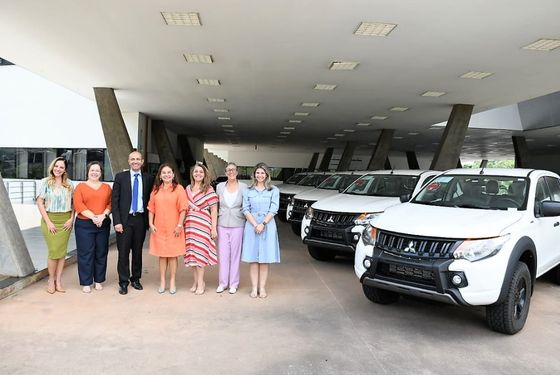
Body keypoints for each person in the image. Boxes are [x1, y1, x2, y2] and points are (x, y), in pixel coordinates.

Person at [112, 150, 153, 295]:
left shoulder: (148, 178)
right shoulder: (120, 177)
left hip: (140, 219)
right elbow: (114, 201)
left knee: (137, 252)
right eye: (133, 159)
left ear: (142, 162)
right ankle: (123, 282)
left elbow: (150, 200)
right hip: (124, 220)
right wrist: (117, 221)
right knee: (123, 253)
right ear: (129, 161)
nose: (135, 161)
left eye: (138, 159)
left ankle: (136, 279)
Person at [241, 162, 280, 298]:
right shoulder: (248, 190)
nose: (260, 175)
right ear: (254, 174)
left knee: (264, 258)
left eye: (262, 173)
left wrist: (262, 223)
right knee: (253, 258)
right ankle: (253, 288)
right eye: (257, 172)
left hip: (267, 225)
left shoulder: (273, 190)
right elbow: (245, 209)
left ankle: (262, 288)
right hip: (251, 225)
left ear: (267, 175)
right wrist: (255, 224)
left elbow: (274, 209)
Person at [147, 163, 187, 294]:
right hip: (159, 227)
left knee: (173, 256)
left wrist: (179, 225)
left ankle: (173, 281)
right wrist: (151, 224)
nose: (166, 175)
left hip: (174, 227)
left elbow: (183, 209)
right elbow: (151, 208)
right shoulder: (155, 190)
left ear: (173, 174)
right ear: (160, 175)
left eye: (169, 172)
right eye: (164, 173)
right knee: (162, 256)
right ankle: (163, 281)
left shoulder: (179, 189)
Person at [36, 157, 74, 294]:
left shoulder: (69, 184)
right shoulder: (45, 182)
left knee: (62, 252)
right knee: (53, 252)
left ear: (65, 170)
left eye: (61, 167)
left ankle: (58, 281)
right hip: (50, 219)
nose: (58, 169)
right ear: (52, 167)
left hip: (65, 221)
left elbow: (73, 204)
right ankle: (51, 280)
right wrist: (48, 222)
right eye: (56, 166)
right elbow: (40, 203)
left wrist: (71, 219)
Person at [73, 161, 112, 293]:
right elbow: (79, 205)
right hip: (84, 224)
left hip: (103, 223)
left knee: (101, 252)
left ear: (101, 173)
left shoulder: (107, 187)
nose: (94, 172)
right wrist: (94, 217)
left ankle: (98, 280)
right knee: (85, 253)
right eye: (92, 170)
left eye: (97, 170)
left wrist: (102, 216)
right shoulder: (80, 187)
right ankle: (86, 282)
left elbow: (110, 204)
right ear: (88, 172)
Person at [184, 162, 218, 295]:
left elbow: (214, 210)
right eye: (196, 172)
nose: (198, 174)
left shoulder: (208, 189)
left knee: (200, 254)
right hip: (190, 224)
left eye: (201, 172)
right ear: (192, 174)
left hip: (203, 223)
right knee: (192, 254)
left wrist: (213, 228)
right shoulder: (187, 189)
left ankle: (201, 283)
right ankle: (196, 282)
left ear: (205, 175)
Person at [215, 162, 247, 294]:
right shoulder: (219, 187)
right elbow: (215, 206)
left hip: (238, 224)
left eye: (233, 170)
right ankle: (222, 283)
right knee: (223, 255)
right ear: (225, 172)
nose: (231, 172)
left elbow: (246, 206)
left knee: (235, 255)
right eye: (228, 170)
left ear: (237, 172)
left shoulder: (244, 187)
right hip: (222, 223)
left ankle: (234, 283)